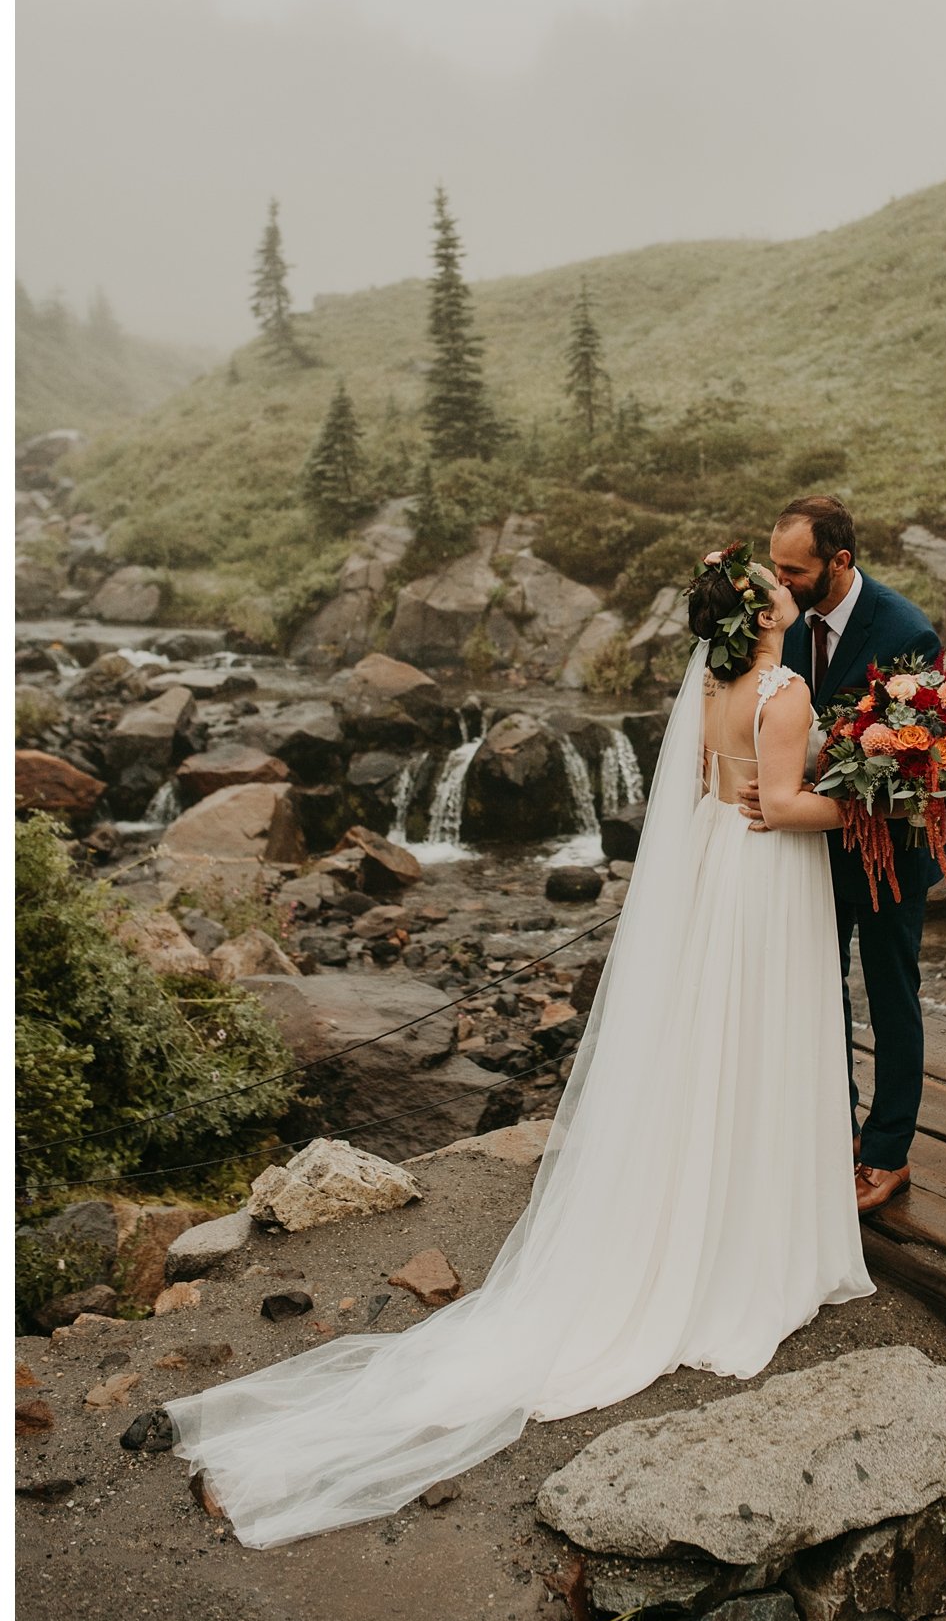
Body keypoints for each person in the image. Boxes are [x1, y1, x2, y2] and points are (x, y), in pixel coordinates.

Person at [161, 544, 874, 1549]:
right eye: (781, 592)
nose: (793, 600)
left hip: (720, 871)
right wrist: (869, 796)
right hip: (762, 882)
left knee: (709, 1045)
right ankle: (750, 1230)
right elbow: (790, 804)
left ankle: (707, 1209)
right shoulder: (786, 687)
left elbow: (725, 788)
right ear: (761, 615)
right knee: (755, 1043)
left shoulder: (714, 687)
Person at [761, 495, 942, 1217]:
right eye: (775, 565)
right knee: (818, 990)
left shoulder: (905, 633)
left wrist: (792, 790)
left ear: (840, 561)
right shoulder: (781, 623)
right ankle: (831, 1133)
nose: (781, 582)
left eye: (793, 570)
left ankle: (886, 1153)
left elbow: (910, 768)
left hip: (891, 849)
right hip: (815, 846)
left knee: (892, 997)